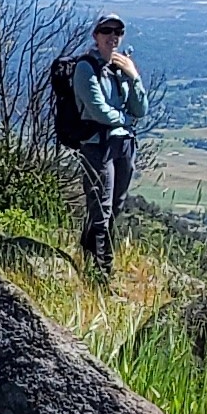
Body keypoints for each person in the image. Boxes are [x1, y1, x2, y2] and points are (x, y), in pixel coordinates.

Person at [72, 14, 147, 275]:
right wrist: (123, 118)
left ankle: (88, 258)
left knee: (115, 206)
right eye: (106, 30)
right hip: (98, 145)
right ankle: (102, 272)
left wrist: (134, 77)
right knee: (101, 208)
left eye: (118, 31)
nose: (112, 36)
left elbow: (141, 109)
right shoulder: (85, 68)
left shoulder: (119, 69)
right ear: (96, 35)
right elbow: (100, 112)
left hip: (123, 144)